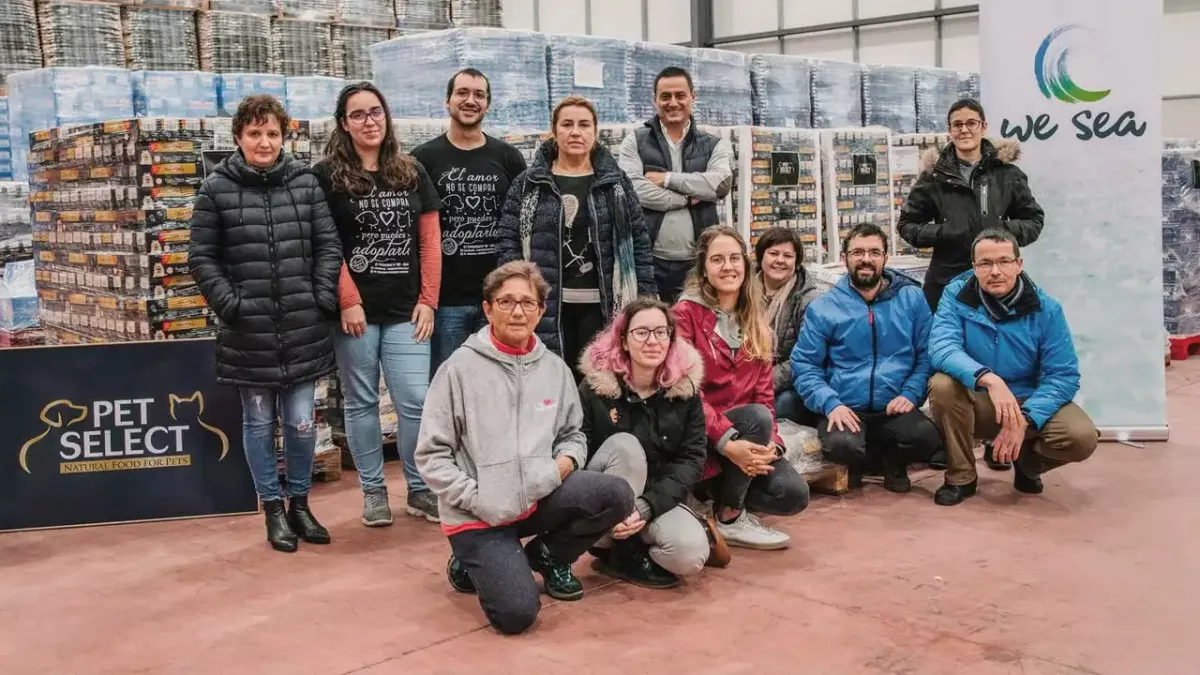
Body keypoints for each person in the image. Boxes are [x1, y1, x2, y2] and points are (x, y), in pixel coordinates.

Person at [415, 261, 635, 635]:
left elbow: (573, 434)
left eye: (527, 303)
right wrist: (477, 497)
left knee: (616, 494)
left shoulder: (554, 369)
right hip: (479, 512)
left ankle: (546, 557)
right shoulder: (458, 370)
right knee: (517, 615)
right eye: (506, 302)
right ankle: (470, 559)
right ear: (487, 309)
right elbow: (431, 456)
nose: (517, 311)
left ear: (541, 310)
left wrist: (563, 464)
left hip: (537, 495)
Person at [189, 94, 341, 553]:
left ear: (283, 136)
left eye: (272, 133)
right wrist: (230, 304)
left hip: (302, 326)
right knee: (258, 424)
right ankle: (272, 508)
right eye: (255, 133)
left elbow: (329, 246)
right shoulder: (215, 189)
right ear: (238, 137)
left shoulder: (305, 182)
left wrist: (318, 296)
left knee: (298, 423)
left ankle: (300, 503)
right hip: (247, 330)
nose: (264, 141)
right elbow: (201, 256)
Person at [314, 82, 443, 526]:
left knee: (415, 401)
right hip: (355, 314)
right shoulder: (326, 176)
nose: (369, 121)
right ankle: (373, 491)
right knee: (360, 401)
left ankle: (419, 488)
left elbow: (429, 243)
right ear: (344, 124)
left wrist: (429, 301)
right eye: (358, 115)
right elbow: (326, 244)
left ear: (386, 117)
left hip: (407, 310)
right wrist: (348, 300)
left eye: (376, 112)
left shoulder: (411, 172)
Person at [897, 99, 1045, 471]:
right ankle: (950, 442)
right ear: (949, 129)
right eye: (957, 124)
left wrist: (1000, 234)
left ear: (983, 125)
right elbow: (908, 226)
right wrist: (946, 233)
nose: (964, 130)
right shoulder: (933, 177)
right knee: (945, 366)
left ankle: (1001, 440)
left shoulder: (1005, 173)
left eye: (971, 123)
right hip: (947, 282)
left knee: (1000, 360)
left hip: (998, 283)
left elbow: (1033, 219)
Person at [926, 229, 1098, 506]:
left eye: (1004, 261)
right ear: (974, 268)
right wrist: (988, 379)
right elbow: (942, 348)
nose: (995, 271)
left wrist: (1024, 420)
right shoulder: (955, 296)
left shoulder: (1047, 310)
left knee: (1081, 437)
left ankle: (1026, 463)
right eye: (985, 263)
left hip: (1029, 399)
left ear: (1019, 265)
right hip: (980, 397)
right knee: (942, 385)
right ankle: (961, 477)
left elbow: (1062, 375)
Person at [672, 226, 810, 551]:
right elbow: (685, 392)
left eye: (735, 258)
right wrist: (727, 440)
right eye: (717, 259)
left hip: (744, 438)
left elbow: (764, 394)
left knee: (792, 494)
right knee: (756, 419)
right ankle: (730, 516)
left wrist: (771, 444)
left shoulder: (754, 319)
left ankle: (713, 499)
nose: (728, 267)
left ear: (747, 265)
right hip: (698, 438)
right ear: (704, 268)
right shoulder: (684, 315)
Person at [496, 96, 656, 374]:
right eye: (567, 124)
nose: (575, 132)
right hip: (545, 305)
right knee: (548, 378)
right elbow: (509, 240)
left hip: (602, 304)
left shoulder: (615, 183)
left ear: (595, 133)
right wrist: (517, 292)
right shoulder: (528, 183)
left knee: (598, 381)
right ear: (554, 131)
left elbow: (638, 242)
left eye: (584, 125)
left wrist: (646, 299)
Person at [577, 297, 722, 588]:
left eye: (661, 332)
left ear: (671, 339)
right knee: (625, 446)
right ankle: (621, 550)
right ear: (624, 341)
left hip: (655, 499)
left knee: (690, 557)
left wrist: (647, 506)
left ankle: (630, 544)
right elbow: (579, 447)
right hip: (601, 501)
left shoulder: (685, 391)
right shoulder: (594, 388)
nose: (652, 341)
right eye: (641, 332)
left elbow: (691, 460)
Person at [790, 224, 941, 493]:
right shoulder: (824, 307)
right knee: (841, 446)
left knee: (925, 438)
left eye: (874, 252)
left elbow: (926, 354)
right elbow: (805, 365)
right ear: (845, 258)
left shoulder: (912, 298)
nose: (866, 259)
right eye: (857, 252)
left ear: (886, 258)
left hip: (894, 406)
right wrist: (830, 403)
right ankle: (860, 461)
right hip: (846, 407)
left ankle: (892, 464)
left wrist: (910, 393)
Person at [411, 68, 528, 375]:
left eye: (479, 94)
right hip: (446, 300)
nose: (470, 100)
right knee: (448, 382)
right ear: (447, 101)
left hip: (499, 298)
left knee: (500, 382)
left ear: (488, 105)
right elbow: (412, 232)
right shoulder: (422, 159)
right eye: (462, 93)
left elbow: (523, 225)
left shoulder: (509, 158)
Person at [618, 66, 733, 304]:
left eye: (680, 95)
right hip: (648, 261)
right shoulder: (636, 141)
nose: (673, 103)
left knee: (696, 330)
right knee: (652, 331)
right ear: (654, 100)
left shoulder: (712, 144)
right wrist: (688, 197)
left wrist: (669, 179)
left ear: (693, 96)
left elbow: (720, 184)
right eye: (665, 96)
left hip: (699, 261)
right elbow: (633, 191)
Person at [751, 226, 823, 426]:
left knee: (780, 404)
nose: (780, 260)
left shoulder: (809, 299)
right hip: (749, 379)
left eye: (787, 256)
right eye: (773, 253)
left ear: (797, 262)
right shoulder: (743, 292)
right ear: (760, 257)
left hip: (792, 384)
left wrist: (761, 384)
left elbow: (805, 358)